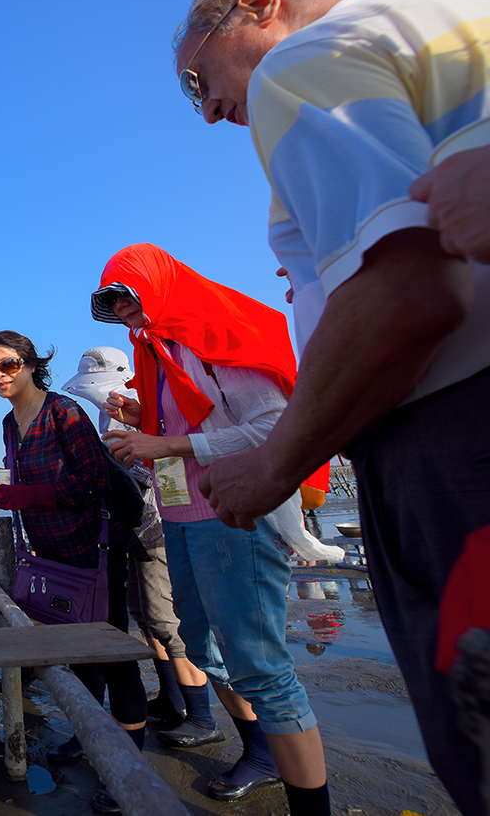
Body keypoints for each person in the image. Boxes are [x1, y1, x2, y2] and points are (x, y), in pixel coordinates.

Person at [171, 0, 490, 812]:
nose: (206, 112)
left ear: (259, 4)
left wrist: (277, 464)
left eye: (198, 80)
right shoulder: (450, 20)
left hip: (454, 434)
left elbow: (406, 295)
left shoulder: (301, 62)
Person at [92, 243, 342, 815]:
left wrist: (168, 441)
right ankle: (261, 752)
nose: (125, 314)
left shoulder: (215, 334)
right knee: (204, 649)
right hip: (182, 518)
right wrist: (142, 421)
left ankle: (310, 802)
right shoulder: (159, 350)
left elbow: (275, 427)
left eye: (130, 299)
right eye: (112, 305)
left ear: (158, 286)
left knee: (263, 666)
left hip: (233, 520)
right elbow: (199, 418)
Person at [0, 330, 146, 816]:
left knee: (114, 654)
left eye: (9, 364)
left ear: (31, 364)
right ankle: (92, 735)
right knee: (79, 652)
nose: (0, 376)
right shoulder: (11, 423)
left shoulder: (63, 412)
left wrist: (28, 496)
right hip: (51, 554)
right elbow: (22, 478)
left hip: (93, 548)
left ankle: (130, 765)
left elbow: (93, 478)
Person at [61, 348, 216, 738]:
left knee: (165, 618)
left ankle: (202, 716)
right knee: (143, 614)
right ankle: (171, 696)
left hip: (155, 525)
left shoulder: (142, 403)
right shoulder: (107, 411)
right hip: (129, 528)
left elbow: (167, 464)